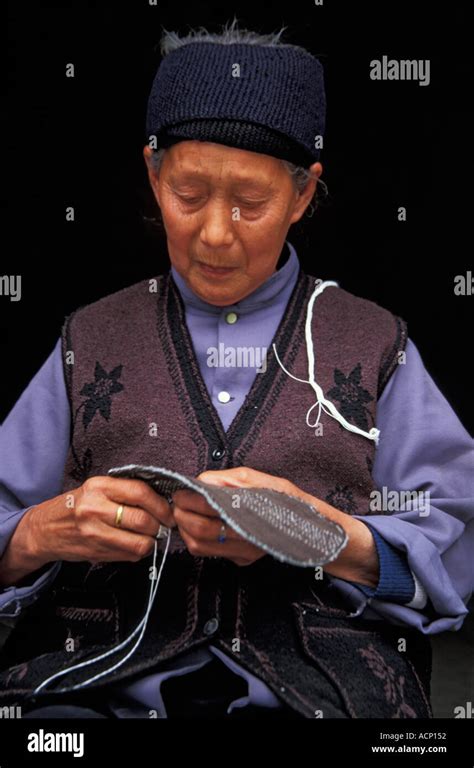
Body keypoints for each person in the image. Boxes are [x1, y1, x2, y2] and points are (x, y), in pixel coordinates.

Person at [0, 20, 472, 720]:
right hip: (93, 690)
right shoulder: (88, 339)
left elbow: (453, 551)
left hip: (326, 696)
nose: (216, 233)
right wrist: (32, 536)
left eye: (250, 204)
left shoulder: (374, 345)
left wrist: (325, 536)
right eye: (187, 196)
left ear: (304, 196)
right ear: (153, 175)